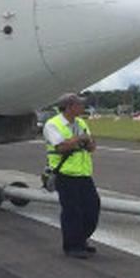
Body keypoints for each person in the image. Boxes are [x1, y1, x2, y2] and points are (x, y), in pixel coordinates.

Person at [44, 93, 100, 259]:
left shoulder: (81, 122)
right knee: (72, 211)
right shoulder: (53, 124)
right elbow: (60, 146)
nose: (82, 107)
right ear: (69, 107)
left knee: (92, 208)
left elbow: (91, 146)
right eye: (79, 104)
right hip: (65, 174)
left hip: (83, 173)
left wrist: (89, 143)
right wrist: (80, 139)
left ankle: (81, 240)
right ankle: (72, 246)